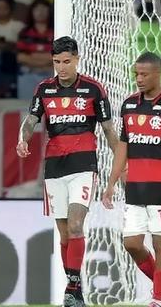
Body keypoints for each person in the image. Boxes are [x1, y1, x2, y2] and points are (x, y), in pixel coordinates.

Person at [16, 36, 119, 307]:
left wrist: (122, 164)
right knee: (64, 234)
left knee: (76, 225)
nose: (61, 68)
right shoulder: (44, 90)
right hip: (54, 167)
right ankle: (76, 289)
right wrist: (23, 138)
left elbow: (108, 130)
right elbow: (31, 120)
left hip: (83, 166)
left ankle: (71, 288)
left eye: (66, 62)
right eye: (56, 62)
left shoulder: (94, 89)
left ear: (77, 59)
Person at [102, 52, 161, 307]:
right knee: (131, 243)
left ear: (158, 73)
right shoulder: (129, 105)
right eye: (136, 74)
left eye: (144, 74)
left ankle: (158, 299)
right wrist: (111, 182)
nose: (138, 79)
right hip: (135, 189)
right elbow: (122, 147)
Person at [16, 0, 54, 99]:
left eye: (44, 9)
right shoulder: (24, 33)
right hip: (29, 73)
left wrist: (33, 56)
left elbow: (58, 56)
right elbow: (21, 57)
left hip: (51, 74)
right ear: (31, 12)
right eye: (37, 9)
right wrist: (45, 60)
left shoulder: (57, 31)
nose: (40, 12)